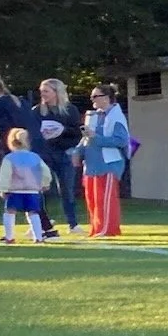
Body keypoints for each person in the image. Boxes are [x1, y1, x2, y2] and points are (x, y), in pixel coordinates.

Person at [76, 85, 129, 237]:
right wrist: (78, 151)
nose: (92, 99)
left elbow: (121, 141)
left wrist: (96, 137)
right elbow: (86, 138)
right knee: (93, 200)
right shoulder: (94, 115)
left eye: (95, 96)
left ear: (106, 98)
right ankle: (96, 228)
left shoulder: (116, 117)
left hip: (108, 164)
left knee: (106, 200)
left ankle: (108, 229)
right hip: (92, 164)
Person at [34, 79, 82, 235]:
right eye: (42, 91)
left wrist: (61, 132)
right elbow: (34, 134)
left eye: (46, 91)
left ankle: (73, 224)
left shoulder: (70, 110)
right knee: (42, 189)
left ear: (57, 92)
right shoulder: (36, 111)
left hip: (65, 154)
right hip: (44, 155)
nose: (43, 94)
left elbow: (77, 134)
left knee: (67, 189)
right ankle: (42, 223)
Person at [0, 129, 49, 244]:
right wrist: (45, 183)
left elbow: (5, 175)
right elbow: (45, 171)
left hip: (14, 190)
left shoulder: (9, 158)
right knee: (33, 213)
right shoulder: (35, 157)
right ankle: (38, 237)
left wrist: (3, 189)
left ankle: (9, 237)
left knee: (9, 212)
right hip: (32, 190)